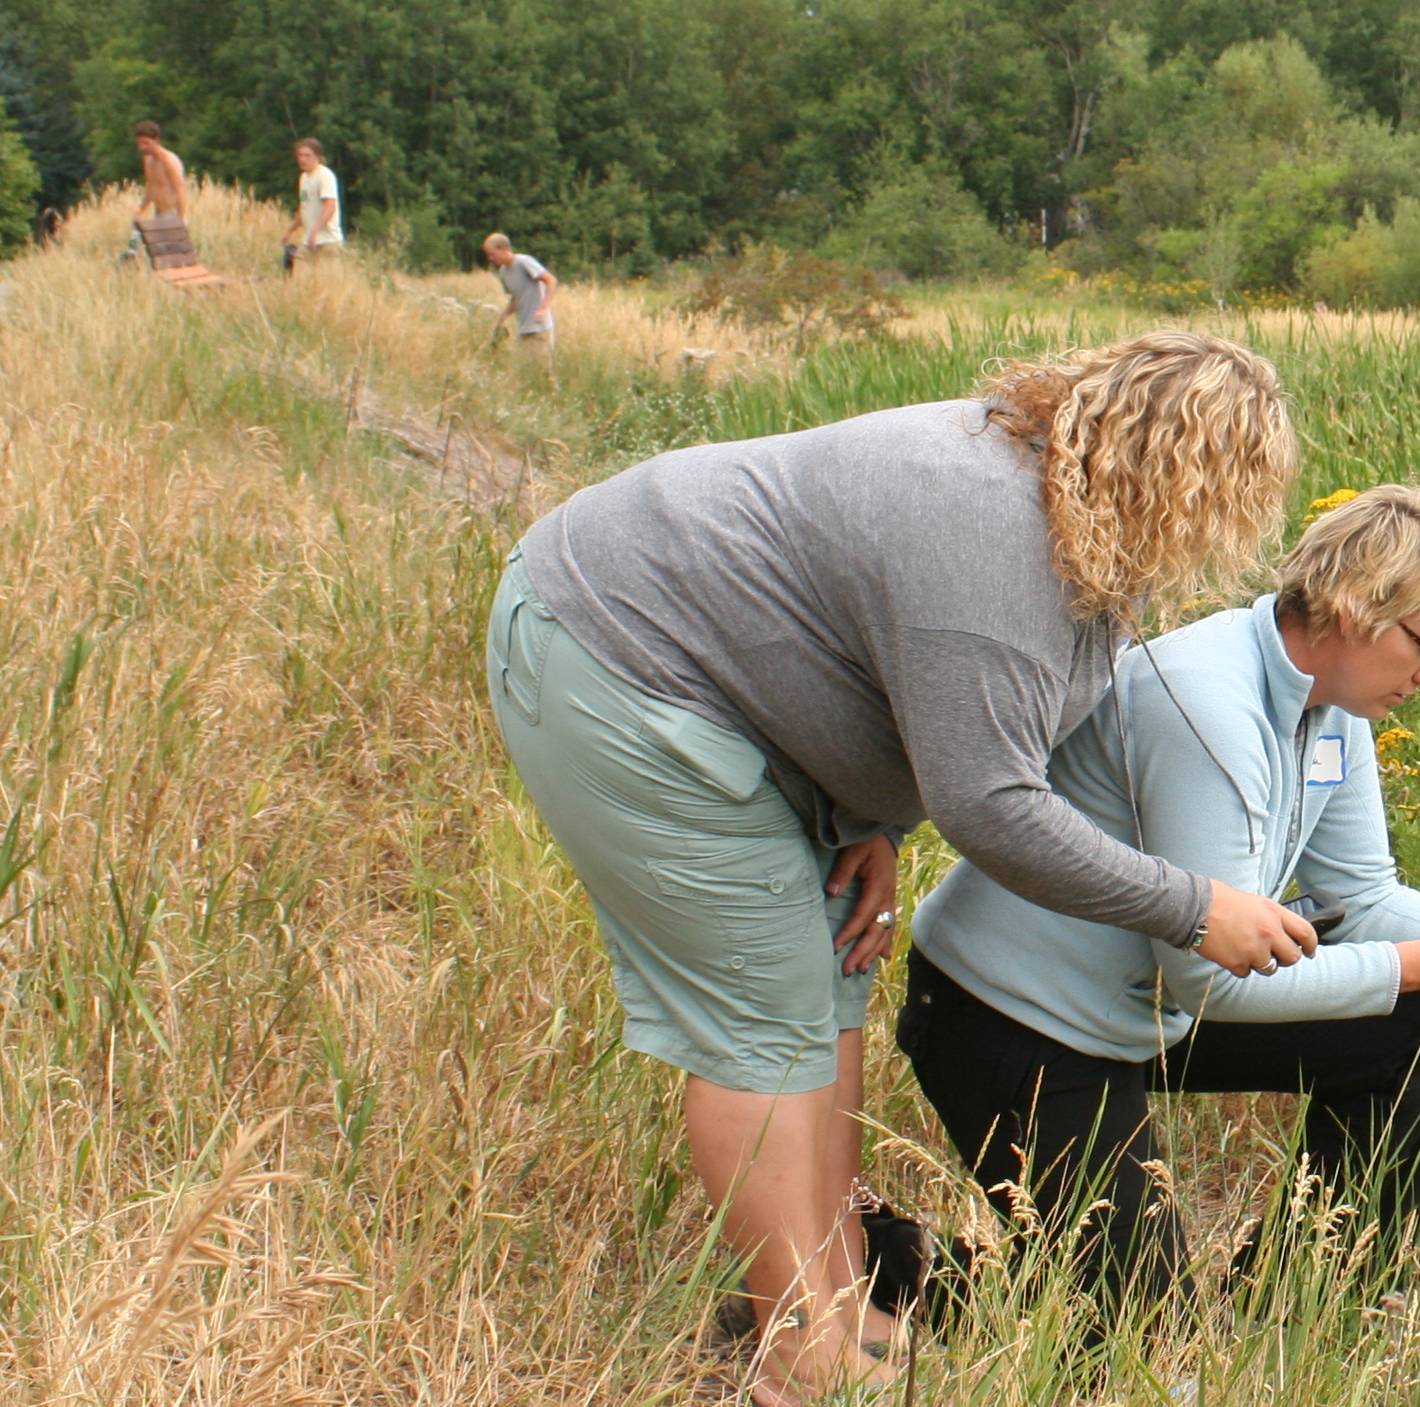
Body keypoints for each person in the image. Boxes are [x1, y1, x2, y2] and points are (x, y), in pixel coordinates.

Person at [484, 331, 1322, 1405]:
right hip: (620, 658)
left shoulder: (1069, 520)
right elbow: (992, 804)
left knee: (828, 988)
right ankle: (796, 1349)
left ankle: (835, 1297)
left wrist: (871, 814)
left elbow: (893, 670)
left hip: (729, 698)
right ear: (1188, 476)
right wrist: (1192, 906)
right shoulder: (991, 533)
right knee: (764, 1019)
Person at [898, 485, 1420, 1316]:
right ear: (1351, 608)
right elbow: (1213, 979)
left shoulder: (1335, 709)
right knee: (1144, 1335)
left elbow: (1360, 896)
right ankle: (858, 1255)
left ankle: (1294, 1312)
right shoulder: (1209, 702)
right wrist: (1415, 965)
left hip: (1140, 1005)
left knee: (1417, 1022)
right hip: (1010, 1020)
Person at [120, 121, 190, 260]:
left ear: (156, 140)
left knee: (166, 258)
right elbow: (152, 186)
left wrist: (181, 220)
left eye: (146, 143)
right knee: (152, 254)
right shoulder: (148, 159)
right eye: (139, 143)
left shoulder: (169, 161)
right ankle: (131, 253)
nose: (142, 147)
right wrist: (141, 209)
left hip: (172, 214)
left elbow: (180, 190)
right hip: (158, 213)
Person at [484, 232, 556, 353]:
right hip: (523, 330)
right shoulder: (503, 272)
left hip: (540, 329)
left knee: (542, 370)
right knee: (524, 370)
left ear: (504, 248)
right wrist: (502, 318)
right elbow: (516, 299)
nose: (490, 258)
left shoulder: (524, 262)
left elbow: (551, 280)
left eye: (492, 254)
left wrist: (543, 308)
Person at [281, 137, 340, 270]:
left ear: (317, 156)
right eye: (300, 155)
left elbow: (330, 206)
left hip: (327, 241)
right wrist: (290, 231)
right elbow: (303, 208)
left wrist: (315, 231)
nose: (303, 159)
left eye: (307, 155)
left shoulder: (324, 175)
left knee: (328, 281)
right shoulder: (304, 178)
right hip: (310, 241)